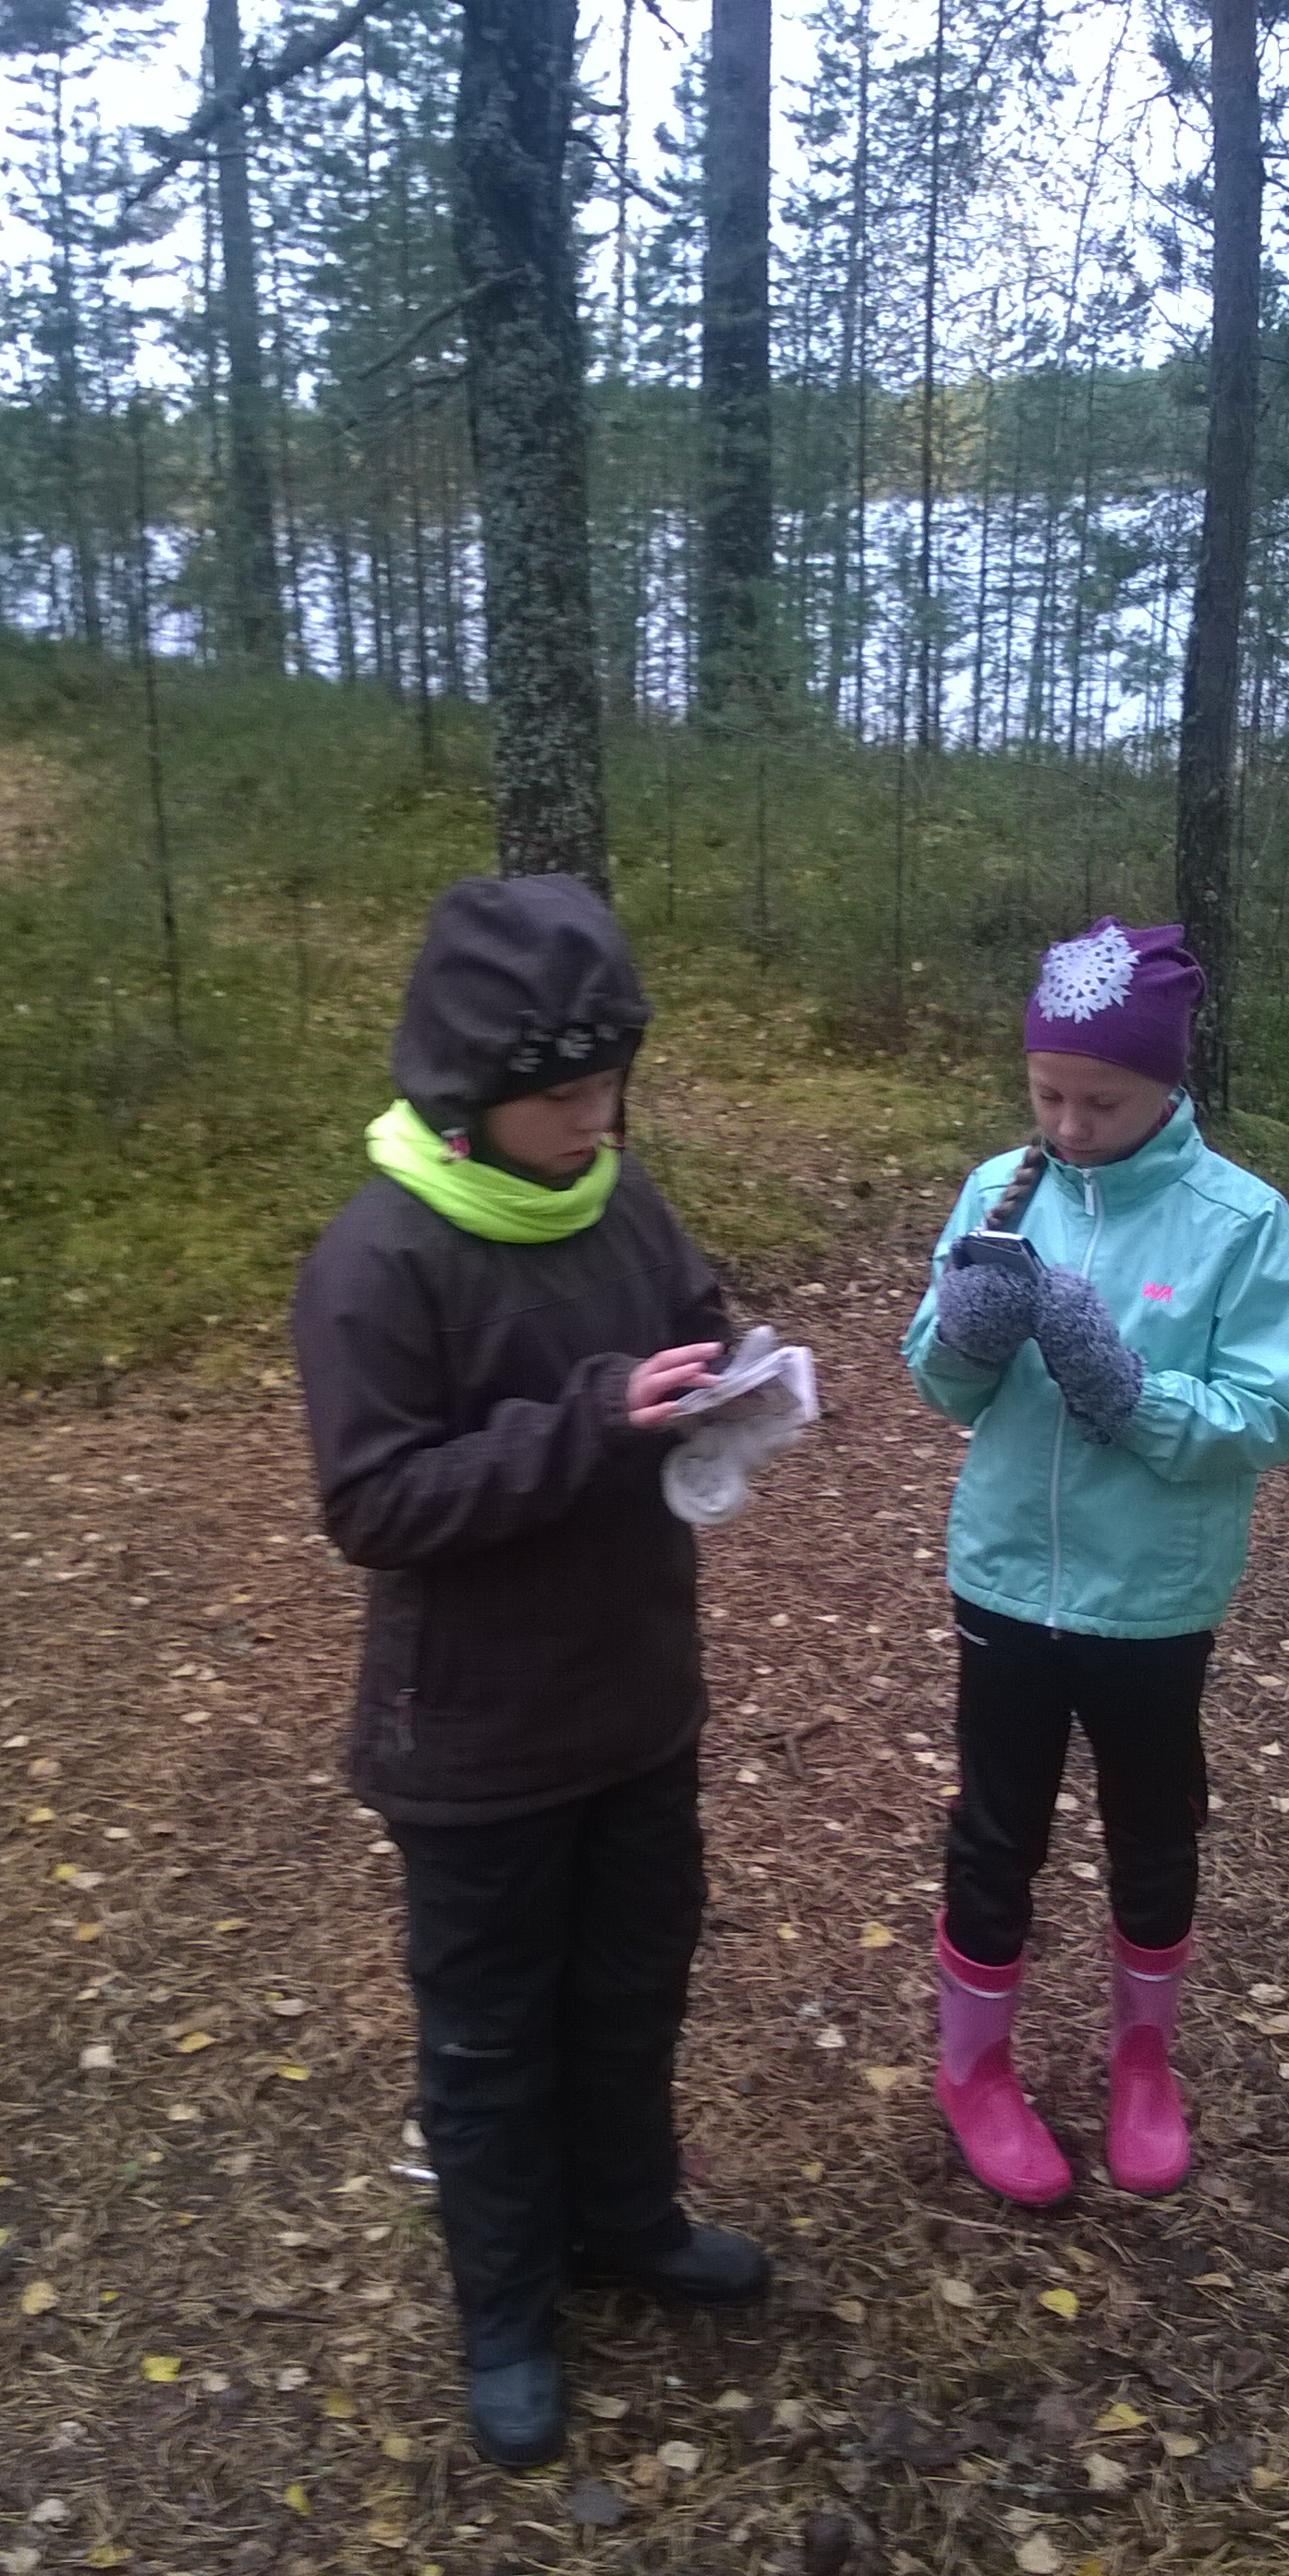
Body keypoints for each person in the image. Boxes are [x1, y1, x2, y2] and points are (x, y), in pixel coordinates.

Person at [292, 874, 769, 2469]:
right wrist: (591, 1421)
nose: (596, 1120)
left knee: (633, 1986)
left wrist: (735, 1378)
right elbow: (373, 1504)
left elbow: (686, 1317)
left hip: (637, 1702)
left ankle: (628, 2220)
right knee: (491, 2036)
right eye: (563, 1097)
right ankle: (505, 2308)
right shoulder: (379, 1257)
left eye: (609, 1084)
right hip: (475, 1742)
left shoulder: (617, 1199)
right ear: (469, 1091)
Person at [902, 917, 1289, 2206]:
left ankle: (1143, 2064)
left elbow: (1269, 1417)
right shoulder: (998, 1189)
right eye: (1047, 1096)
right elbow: (941, 1383)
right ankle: (974, 2072)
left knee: (1153, 1829)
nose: (1069, 1127)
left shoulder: (1240, 1221)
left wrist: (1127, 1388)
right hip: (1006, 1577)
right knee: (994, 1831)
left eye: (1101, 1101)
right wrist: (962, 1339)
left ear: (1167, 1085)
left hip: (1153, 1594)